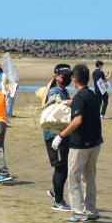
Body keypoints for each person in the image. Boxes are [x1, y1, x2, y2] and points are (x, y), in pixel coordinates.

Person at [52, 64, 103, 223]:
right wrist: (71, 103)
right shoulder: (91, 94)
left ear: (75, 79)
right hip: (95, 143)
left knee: (73, 178)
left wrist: (60, 135)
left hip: (80, 145)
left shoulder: (81, 97)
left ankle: (79, 213)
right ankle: (91, 210)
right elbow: (84, 108)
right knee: (89, 178)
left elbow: (77, 120)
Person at [43, 64, 73, 212]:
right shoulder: (54, 91)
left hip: (62, 133)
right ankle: (58, 201)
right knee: (60, 167)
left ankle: (56, 191)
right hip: (54, 134)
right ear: (56, 76)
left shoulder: (64, 90)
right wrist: (65, 104)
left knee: (64, 166)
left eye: (68, 75)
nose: (67, 78)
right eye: (64, 76)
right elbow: (54, 113)